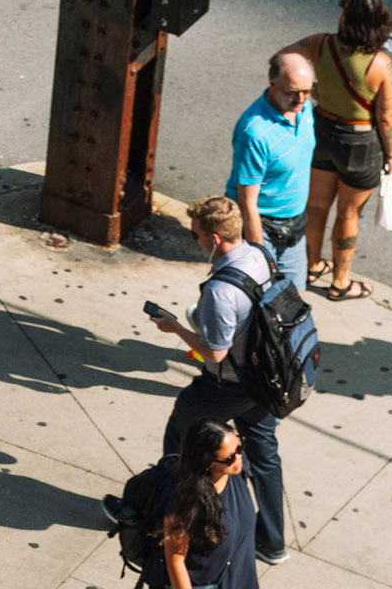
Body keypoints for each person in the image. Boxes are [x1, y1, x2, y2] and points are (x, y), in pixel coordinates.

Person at [146, 195, 288, 567]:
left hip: (227, 385)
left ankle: (171, 520)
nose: (194, 240)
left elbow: (214, 353)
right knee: (263, 454)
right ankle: (272, 541)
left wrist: (175, 327)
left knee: (182, 436)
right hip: (264, 377)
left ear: (214, 240)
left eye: (196, 235)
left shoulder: (221, 290)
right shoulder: (259, 254)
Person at [301, 0, 392, 301]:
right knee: (348, 215)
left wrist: (311, 92)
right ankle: (340, 282)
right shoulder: (379, 64)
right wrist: (390, 153)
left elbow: (281, 59)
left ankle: (311, 265)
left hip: (321, 131)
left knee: (315, 207)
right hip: (360, 143)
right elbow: (385, 117)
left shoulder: (320, 44)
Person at [228, 50, 315, 296]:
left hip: (295, 225)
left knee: (293, 299)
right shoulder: (254, 132)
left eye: (307, 91)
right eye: (292, 92)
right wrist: (260, 255)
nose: (301, 99)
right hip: (262, 226)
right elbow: (247, 203)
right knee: (260, 301)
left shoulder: (303, 109)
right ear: (272, 83)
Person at [150, 420, 262, 589]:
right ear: (207, 462)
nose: (238, 458)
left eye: (240, 448)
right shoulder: (184, 499)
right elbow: (175, 559)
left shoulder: (235, 471)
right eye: (230, 457)